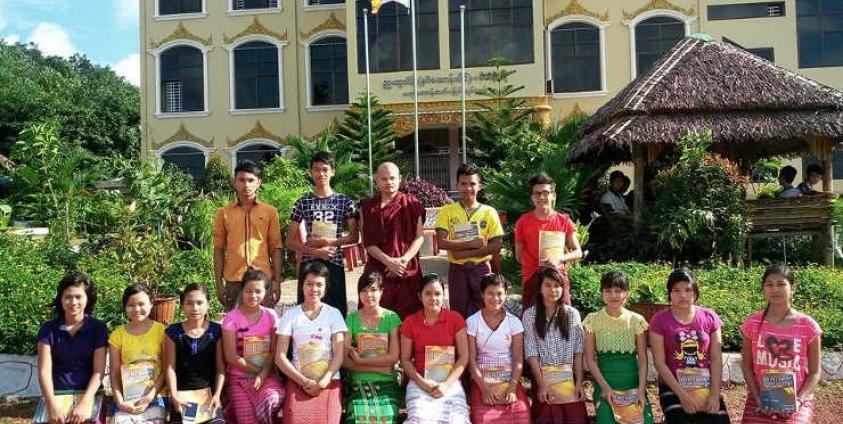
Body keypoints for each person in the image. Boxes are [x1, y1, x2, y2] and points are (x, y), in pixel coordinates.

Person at [740, 264, 821, 423]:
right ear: (763, 289)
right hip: (761, 397)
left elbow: (814, 373)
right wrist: (758, 398)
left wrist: (797, 401)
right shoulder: (752, 324)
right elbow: (747, 367)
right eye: (769, 284)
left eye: (781, 284)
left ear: (793, 288)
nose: (775, 289)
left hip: (798, 398)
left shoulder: (808, 326)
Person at [649, 268, 730, 424]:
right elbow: (659, 363)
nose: (683, 295)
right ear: (670, 294)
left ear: (695, 292)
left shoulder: (710, 317)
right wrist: (683, 396)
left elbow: (716, 358)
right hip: (673, 387)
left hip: (705, 384)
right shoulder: (659, 320)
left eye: (688, 289)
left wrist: (714, 394)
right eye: (676, 290)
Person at [287, 151, 359, 317]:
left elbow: (354, 237)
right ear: (310, 172)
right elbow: (289, 241)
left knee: (337, 312)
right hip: (309, 263)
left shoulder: (345, 201)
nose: (321, 174)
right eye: (317, 169)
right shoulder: (302, 202)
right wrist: (316, 251)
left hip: (335, 263)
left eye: (325, 169)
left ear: (333, 171)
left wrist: (329, 242)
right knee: (306, 311)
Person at [276, 261, 347, 424]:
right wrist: (303, 381)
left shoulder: (334, 314)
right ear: (301, 286)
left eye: (319, 285)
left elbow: (339, 354)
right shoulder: (290, 315)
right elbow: (279, 357)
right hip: (298, 381)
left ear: (325, 287)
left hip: (329, 381)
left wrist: (323, 381)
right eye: (309, 284)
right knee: (295, 419)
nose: (314, 289)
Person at [582, 271, 655, 424]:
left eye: (618, 291)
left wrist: (641, 391)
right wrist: (605, 388)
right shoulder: (592, 320)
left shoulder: (636, 321)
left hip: (633, 386)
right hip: (606, 385)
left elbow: (642, 360)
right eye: (608, 291)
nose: (613, 295)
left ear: (626, 294)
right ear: (602, 294)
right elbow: (590, 359)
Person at [36, 272, 108, 424]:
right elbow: (44, 371)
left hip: (90, 397)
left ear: (87, 298)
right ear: (61, 300)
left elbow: (98, 371)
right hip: (57, 398)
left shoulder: (98, 328)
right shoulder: (48, 329)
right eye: (68, 297)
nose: (73, 302)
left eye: (78, 297)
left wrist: (84, 404)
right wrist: (52, 404)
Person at [399, 274, 471, 424]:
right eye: (428, 293)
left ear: (444, 295)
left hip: (449, 382)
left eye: (438, 294)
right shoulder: (410, 322)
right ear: (419, 296)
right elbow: (405, 360)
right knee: (419, 419)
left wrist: (447, 384)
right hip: (419, 382)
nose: (433, 298)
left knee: (457, 419)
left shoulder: (455, 319)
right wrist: (422, 383)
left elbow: (464, 356)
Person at [435, 163, 504, 318]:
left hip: (482, 270)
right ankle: (461, 343)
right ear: (457, 185)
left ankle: (481, 343)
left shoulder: (489, 212)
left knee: (485, 311)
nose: (468, 188)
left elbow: (496, 244)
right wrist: (471, 245)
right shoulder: (447, 211)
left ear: (479, 186)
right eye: (463, 184)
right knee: (458, 314)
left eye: (472, 183)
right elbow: (442, 242)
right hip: (457, 270)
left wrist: (463, 253)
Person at [521, 266, 588, 423]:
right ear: (540, 288)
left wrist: (579, 382)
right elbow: (531, 353)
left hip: (568, 379)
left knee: (575, 419)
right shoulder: (530, 315)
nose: (553, 290)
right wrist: (542, 384)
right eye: (548, 285)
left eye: (557, 285)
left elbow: (578, 352)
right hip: (543, 377)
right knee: (546, 418)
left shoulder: (572, 314)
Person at [214, 160, 283, 310]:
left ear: (259, 183)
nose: (246, 185)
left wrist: (277, 282)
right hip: (234, 281)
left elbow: (275, 247)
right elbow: (218, 249)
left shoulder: (269, 212)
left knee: (264, 326)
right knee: (235, 328)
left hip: (262, 279)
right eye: (242, 180)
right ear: (235, 182)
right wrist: (219, 284)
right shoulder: (223, 213)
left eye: (251, 180)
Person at [360, 162, 425, 319]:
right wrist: (389, 262)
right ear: (376, 180)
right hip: (378, 269)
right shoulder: (368, 207)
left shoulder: (412, 204)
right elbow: (368, 243)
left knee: (410, 318)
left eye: (392, 178)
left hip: (406, 269)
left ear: (400, 179)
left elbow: (419, 237)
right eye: (384, 179)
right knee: (377, 316)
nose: (388, 182)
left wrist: (403, 261)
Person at [221, 268, 285, 424]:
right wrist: (258, 371)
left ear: (265, 292)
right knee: (247, 419)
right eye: (249, 291)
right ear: (242, 290)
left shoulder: (271, 316)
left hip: (266, 375)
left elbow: (273, 351)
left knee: (272, 399)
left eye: (258, 291)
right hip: (239, 378)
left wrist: (263, 375)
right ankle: (233, 406)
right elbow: (231, 356)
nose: (253, 296)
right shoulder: (231, 319)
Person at [466, 274, 530, 423]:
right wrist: (484, 388)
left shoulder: (514, 323)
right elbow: (471, 361)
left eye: (499, 293)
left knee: (522, 416)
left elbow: (518, 358)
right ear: (482, 294)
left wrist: (513, 387)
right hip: (481, 378)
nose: (495, 298)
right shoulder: (472, 322)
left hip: (509, 378)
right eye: (490, 293)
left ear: (506, 294)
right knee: (484, 418)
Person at [514, 172, 583, 309]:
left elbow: (578, 252)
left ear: (553, 195)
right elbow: (519, 256)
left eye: (545, 193)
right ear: (532, 197)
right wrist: (536, 265)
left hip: (557, 277)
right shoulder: (523, 222)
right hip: (531, 277)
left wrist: (559, 258)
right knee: (530, 319)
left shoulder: (564, 220)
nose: (541, 197)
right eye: (537, 193)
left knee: (564, 317)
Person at [343, 272, 403, 424]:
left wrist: (360, 362)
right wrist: (378, 368)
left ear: (382, 291)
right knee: (357, 417)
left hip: (387, 380)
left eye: (373, 289)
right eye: (363, 290)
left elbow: (393, 357)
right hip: (359, 381)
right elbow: (343, 359)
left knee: (387, 416)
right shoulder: (351, 319)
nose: (368, 295)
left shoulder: (391, 318)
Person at [164, 284, 226, 424]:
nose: (195, 308)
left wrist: (217, 395)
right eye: (189, 303)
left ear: (208, 304)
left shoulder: (216, 331)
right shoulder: (173, 332)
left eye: (199, 303)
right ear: (182, 306)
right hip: (182, 397)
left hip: (208, 398)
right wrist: (174, 395)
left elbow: (220, 368)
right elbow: (170, 367)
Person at [108, 284, 168, 422]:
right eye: (131, 305)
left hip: (156, 396)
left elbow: (166, 369)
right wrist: (120, 401)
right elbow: (114, 373)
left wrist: (150, 396)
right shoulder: (117, 335)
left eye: (141, 304)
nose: (136, 309)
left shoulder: (162, 332)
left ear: (151, 303)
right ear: (125, 307)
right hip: (127, 398)